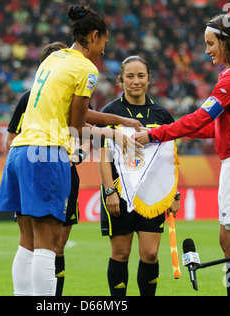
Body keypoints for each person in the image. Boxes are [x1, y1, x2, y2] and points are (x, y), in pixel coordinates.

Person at [0, 5, 141, 296]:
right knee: (48, 245)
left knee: (27, 242)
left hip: (20, 152)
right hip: (47, 154)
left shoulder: (54, 58)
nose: (103, 51)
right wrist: (114, 133)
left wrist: (119, 120)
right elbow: (76, 127)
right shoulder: (86, 69)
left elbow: (74, 114)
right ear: (95, 35)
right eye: (104, 43)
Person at [133, 14, 230, 296]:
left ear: (226, 41)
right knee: (226, 243)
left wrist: (158, 133)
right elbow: (213, 129)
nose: (207, 51)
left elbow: (200, 119)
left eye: (210, 44)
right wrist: (168, 130)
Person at [98, 56, 180, 296]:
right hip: (118, 195)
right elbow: (103, 156)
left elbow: (171, 159)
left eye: (141, 76)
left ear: (149, 79)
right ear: (120, 80)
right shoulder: (109, 113)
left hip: (152, 195)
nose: (136, 81)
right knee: (121, 254)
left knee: (150, 254)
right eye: (130, 76)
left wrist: (174, 194)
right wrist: (109, 191)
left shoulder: (162, 115)